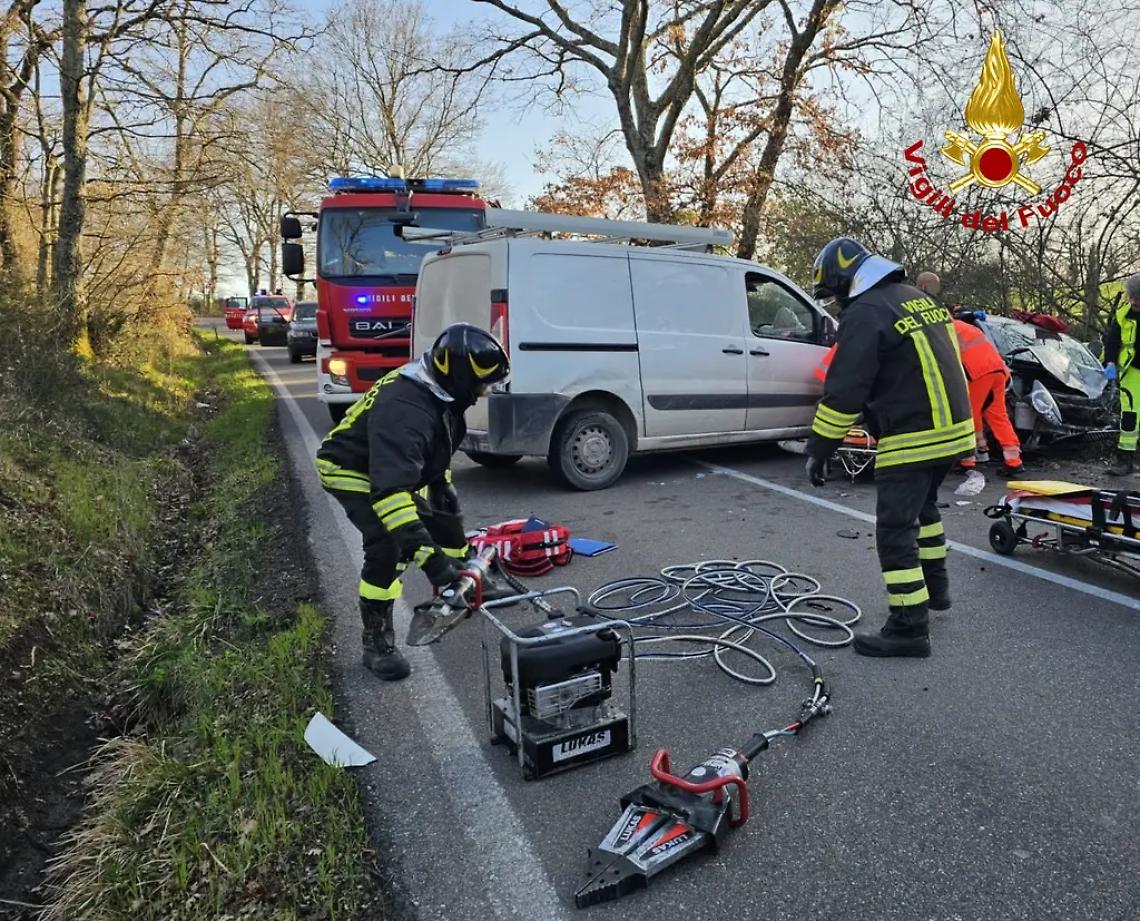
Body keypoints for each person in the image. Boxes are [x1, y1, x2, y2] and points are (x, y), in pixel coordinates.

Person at [804, 239, 974, 658]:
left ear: (845, 279)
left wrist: (820, 449)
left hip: (913, 434)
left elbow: (845, 391)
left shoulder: (865, 312)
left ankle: (908, 628)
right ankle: (937, 590)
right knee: (925, 511)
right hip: (954, 430)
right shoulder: (917, 297)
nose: (838, 301)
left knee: (895, 530)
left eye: (835, 292)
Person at [315, 323, 515, 680]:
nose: (483, 392)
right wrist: (431, 561)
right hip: (350, 469)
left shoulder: (440, 389)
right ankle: (376, 643)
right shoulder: (405, 410)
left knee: (442, 511)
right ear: (459, 377)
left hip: (392, 468)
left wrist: (444, 500)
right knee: (388, 543)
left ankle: (466, 581)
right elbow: (390, 494)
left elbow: (431, 454)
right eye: (480, 385)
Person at [951, 309, 1023, 475]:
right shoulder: (969, 327)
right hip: (999, 370)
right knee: (998, 415)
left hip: (977, 372)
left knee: (968, 414)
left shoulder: (944, 329)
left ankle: (968, 459)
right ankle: (1014, 460)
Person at [1101, 274, 1140, 476]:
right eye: (1132, 297)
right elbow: (1112, 341)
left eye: (1138, 298)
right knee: (1130, 415)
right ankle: (1125, 459)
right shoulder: (1122, 314)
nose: (1134, 301)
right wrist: (1110, 361)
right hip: (1130, 371)